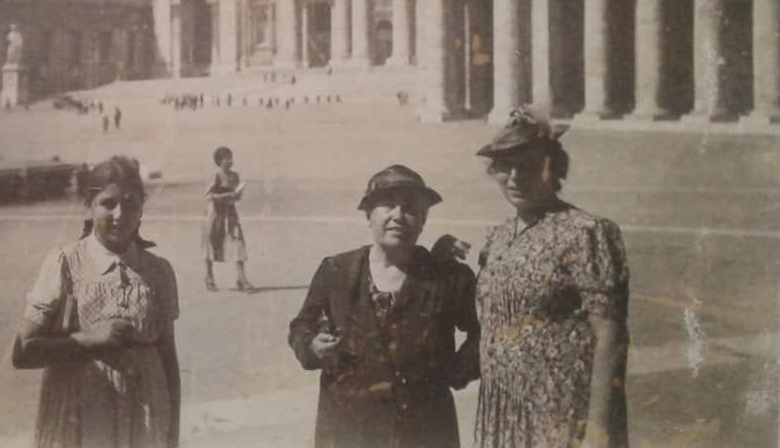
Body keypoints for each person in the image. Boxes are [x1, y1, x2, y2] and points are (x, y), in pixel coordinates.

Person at [288, 165, 480, 448]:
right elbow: (301, 327)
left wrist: (457, 370)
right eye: (388, 205)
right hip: (348, 429)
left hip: (425, 429)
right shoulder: (336, 270)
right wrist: (313, 347)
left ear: (423, 220)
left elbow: (484, 332)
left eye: (411, 208)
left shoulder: (449, 278)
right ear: (368, 214)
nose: (398, 216)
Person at [473, 106, 629, 448]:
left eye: (528, 166)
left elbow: (611, 337)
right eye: (505, 166)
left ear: (552, 169)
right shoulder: (497, 237)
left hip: (562, 412)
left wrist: (599, 430)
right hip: (502, 412)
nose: (515, 177)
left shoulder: (586, 232)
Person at [13, 156, 180, 448]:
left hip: (147, 418)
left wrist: (173, 432)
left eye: (130, 205)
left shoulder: (159, 271)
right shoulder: (65, 262)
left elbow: (168, 357)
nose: (119, 215)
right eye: (108, 203)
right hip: (81, 419)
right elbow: (23, 352)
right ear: (89, 206)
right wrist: (86, 340)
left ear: (142, 208)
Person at [202, 146, 253, 291]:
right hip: (215, 214)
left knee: (238, 243)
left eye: (231, 158)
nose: (230, 161)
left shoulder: (234, 176)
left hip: (230, 214)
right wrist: (226, 195)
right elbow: (207, 196)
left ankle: (241, 279)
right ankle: (209, 278)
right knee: (211, 244)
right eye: (226, 158)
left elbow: (237, 197)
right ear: (219, 161)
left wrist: (237, 194)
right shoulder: (215, 176)